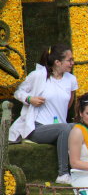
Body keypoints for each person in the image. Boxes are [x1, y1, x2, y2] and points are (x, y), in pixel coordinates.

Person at [8, 44, 78, 184]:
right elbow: (18, 92)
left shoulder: (71, 79)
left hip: (58, 128)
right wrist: (30, 99)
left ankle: (81, 171)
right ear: (58, 62)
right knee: (65, 128)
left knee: (75, 127)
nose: (72, 63)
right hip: (37, 128)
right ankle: (63, 174)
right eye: (69, 60)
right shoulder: (38, 76)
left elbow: (69, 103)